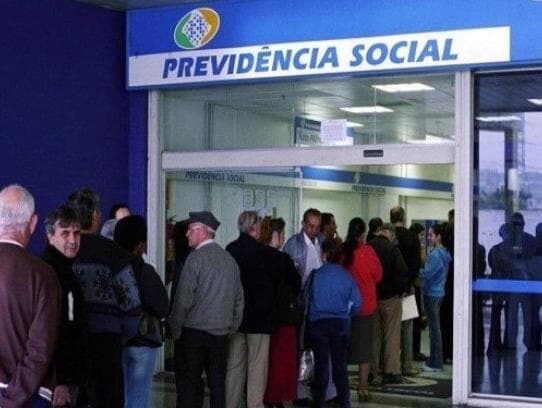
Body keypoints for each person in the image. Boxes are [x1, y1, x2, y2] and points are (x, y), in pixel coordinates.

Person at [68, 187, 142, 408]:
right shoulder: (115, 253)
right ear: (95, 216)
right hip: (107, 343)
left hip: (69, 341)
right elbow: (131, 303)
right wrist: (123, 335)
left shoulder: (61, 253)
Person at [169, 211, 244, 408]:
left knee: (189, 387)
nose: (187, 234)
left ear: (203, 231)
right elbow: (239, 301)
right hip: (221, 336)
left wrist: (175, 330)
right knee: (218, 387)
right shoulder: (229, 261)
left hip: (193, 335)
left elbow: (183, 300)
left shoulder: (195, 259)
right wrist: (230, 329)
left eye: (191, 230)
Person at [0, 184, 61, 407]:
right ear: (33, 222)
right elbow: (40, 350)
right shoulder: (43, 274)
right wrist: (11, 400)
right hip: (28, 396)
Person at [225, 211, 281, 408]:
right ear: (254, 227)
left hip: (237, 318)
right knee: (257, 366)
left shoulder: (230, 249)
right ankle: (254, 405)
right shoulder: (264, 252)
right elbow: (276, 282)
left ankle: (230, 403)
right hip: (260, 319)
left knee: (234, 365)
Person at [283, 208, 337, 404]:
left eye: (317, 227)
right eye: (311, 226)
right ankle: (301, 391)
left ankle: (328, 390)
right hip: (301, 305)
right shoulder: (292, 245)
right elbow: (287, 278)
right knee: (302, 349)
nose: (314, 231)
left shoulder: (323, 242)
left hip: (321, 304)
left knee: (325, 349)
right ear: (303, 224)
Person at [114, 215, 169, 408]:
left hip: (115, 339)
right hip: (142, 341)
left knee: (118, 394)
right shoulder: (145, 271)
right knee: (139, 395)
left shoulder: (109, 268)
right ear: (139, 245)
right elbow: (162, 306)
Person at [305, 239, 361, 408]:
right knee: (340, 366)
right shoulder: (346, 277)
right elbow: (357, 303)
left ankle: (319, 403)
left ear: (324, 255)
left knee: (321, 367)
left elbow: (306, 300)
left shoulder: (315, 275)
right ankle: (345, 402)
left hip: (318, 325)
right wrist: (346, 314)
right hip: (340, 325)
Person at [42, 205, 87, 407]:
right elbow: (59, 330)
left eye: (77, 233)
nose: (72, 240)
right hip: (57, 380)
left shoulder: (64, 270)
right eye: (65, 233)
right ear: (50, 236)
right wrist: (61, 380)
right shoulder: (53, 273)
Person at [259, 217, 301, 407]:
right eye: (282, 233)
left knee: (263, 361)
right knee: (283, 362)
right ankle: (278, 398)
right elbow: (296, 284)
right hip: (284, 318)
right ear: (275, 235)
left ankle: (265, 397)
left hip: (262, 318)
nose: (283, 237)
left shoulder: (257, 256)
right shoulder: (283, 259)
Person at [340, 217, 382, 402]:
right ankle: (363, 387)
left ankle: (340, 387)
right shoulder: (368, 251)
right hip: (365, 307)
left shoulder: (342, 252)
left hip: (345, 307)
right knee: (365, 351)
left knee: (342, 349)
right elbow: (378, 275)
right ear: (363, 234)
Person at [368, 222, 409, 385]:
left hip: (372, 298)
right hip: (391, 298)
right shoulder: (393, 249)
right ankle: (391, 371)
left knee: (374, 337)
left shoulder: (369, 246)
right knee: (392, 336)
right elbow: (402, 271)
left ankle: (371, 370)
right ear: (391, 235)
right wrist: (399, 290)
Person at [390, 206, 421, 377]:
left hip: (388, 291)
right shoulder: (412, 237)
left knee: (389, 329)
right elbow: (415, 266)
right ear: (403, 217)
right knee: (407, 327)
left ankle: (389, 364)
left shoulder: (386, 237)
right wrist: (407, 286)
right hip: (407, 289)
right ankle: (406, 366)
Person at [419, 223, 452, 372]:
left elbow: (427, 274)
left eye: (431, 235)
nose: (428, 237)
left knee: (434, 330)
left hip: (431, 293)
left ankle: (435, 362)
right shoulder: (444, 253)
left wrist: (417, 271)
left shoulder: (435, 255)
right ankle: (435, 360)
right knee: (435, 328)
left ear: (439, 237)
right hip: (439, 292)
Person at [409, 222, 427, 362]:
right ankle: (415, 351)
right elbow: (423, 263)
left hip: (408, 286)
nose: (422, 238)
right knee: (416, 319)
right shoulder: (417, 248)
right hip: (415, 286)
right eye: (421, 235)